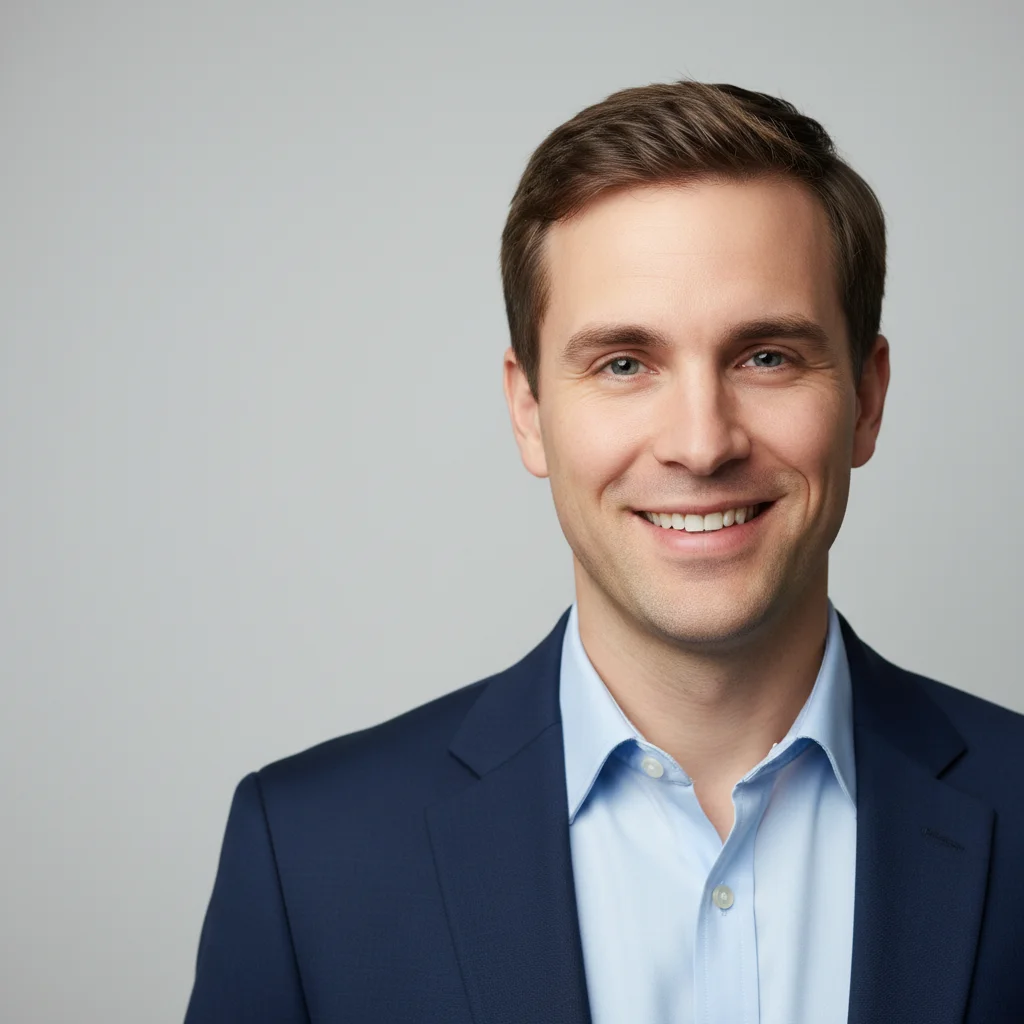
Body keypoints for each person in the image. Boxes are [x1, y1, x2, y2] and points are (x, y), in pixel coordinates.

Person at [183, 81, 1024, 1024]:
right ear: (528, 411)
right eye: (625, 363)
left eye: (767, 357)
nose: (701, 444)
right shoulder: (307, 858)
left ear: (866, 400)